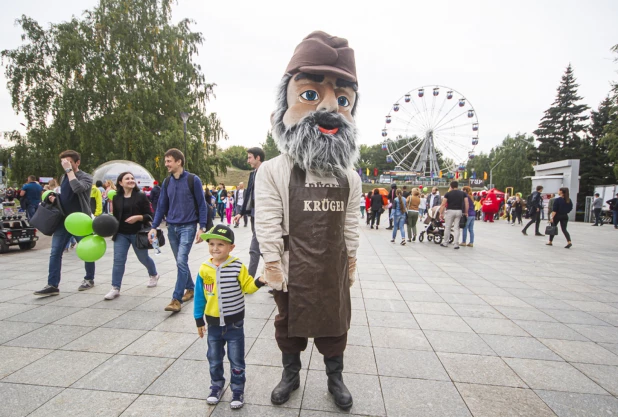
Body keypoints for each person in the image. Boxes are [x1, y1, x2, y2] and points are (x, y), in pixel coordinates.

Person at [255, 31, 361, 410]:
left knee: (335, 328)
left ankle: (336, 377)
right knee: (288, 327)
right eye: (311, 94)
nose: (328, 109)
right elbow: (266, 221)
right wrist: (270, 264)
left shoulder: (350, 177)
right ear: (284, 106)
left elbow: (351, 224)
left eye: (343, 99)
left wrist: (350, 262)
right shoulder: (273, 170)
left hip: (331, 267)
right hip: (289, 267)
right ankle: (290, 375)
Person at [194, 225, 266, 409]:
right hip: (213, 325)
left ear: (231, 247)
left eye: (220, 244)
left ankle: (237, 389)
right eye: (211, 244)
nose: (215, 248)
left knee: (237, 360)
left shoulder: (237, 266)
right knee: (214, 358)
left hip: (235, 324)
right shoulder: (204, 269)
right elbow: (199, 297)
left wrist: (260, 281)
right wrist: (198, 320)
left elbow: (248, 287)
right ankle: (216, 386)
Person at [149, 148, 209, 312]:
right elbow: (161, 206)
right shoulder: (167, 182)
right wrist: (154, 227)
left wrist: (202, 227)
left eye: (169, 161)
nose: (166, 164)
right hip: (172, 228)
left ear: (179, 162)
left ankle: (176, 299)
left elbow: (202, 205)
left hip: (188, 227)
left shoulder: (193, 180)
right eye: (166, 161)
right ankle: (191, 288)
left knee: (181, 261)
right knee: (180, 262)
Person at [34, 150, 96, 296]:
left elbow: (77, 189)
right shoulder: (63, 177)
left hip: (81, 220)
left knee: (87, 251)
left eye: (68, 161)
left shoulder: (86, 177)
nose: (65, 164)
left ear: (77, 162)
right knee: (55, 252)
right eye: (63, 162)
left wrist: (69, 171)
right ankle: (52, 284)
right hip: (64, 220)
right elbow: (67, 196)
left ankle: (89, 279)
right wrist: (55, 198)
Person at [105, 172, 159, 300]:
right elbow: (116, 216)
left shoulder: (140, 196)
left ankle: (154, 274)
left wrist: (138, 217)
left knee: (143, 258)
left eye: (132, 178)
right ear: (120, 183)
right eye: (127, 179)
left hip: (137, 233)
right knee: (118, 260)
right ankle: (115, 288)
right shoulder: (117, 197)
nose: (130, 180)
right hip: (121, 234)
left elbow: (150, 215)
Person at [233, 147, 265, 278]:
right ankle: (279, 277)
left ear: (258, 157)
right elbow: (249, 194)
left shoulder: (268, 171)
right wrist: (241, 212)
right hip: (254, 213)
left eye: (250, 157)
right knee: (263, 248)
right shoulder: (253, 174)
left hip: (264, 214)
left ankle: (249, 280)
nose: (248, 160)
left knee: (254, 248)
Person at [439, 181, 469, 250]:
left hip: (450, 211)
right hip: (459, 211)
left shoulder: (448, 194)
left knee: (447, 227)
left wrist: (441, 213)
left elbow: (443, 204)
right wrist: (466, 212)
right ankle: (456, 244)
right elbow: (466, 203)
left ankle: (445, 242)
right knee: (457, 228)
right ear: (457, 186)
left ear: (451, 186)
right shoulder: (463, 194)